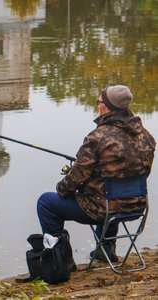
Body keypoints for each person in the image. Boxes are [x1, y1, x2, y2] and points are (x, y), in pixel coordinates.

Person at [37, 85, 156, 263]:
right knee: (107, 193)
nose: (97, 106)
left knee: (46, 202)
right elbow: (142, 172)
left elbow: (75, 179)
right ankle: (106, 249)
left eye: (99, 102)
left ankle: (61, 259)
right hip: (136, 206)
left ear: (108, 107)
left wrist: (61, 188)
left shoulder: (97, 137)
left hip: (104, 208)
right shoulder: (145, 136)